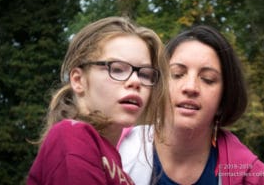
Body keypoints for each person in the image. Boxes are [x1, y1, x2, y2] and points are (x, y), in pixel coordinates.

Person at [118, 25, 264, 185]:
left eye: (208, 79)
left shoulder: (253, 178)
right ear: (158, 85)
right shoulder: (113, 151)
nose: (190, 87)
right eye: (177, 74)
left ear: (223, 100)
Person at [27, 16, 169, 185]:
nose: (136, 82)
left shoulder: (119, 170)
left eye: (145, 74)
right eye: (117, 69)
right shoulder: (72, 136)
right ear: (78, 80)